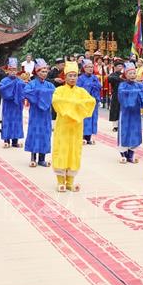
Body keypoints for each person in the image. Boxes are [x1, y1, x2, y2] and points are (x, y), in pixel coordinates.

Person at [51, 61, 96, 192]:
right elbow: (57, 102)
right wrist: (75, 105)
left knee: (74, 152)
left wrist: (73, 105)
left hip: (76, 127)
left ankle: (70, 181)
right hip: (63, 127)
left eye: (75, 76)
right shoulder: (59, 90)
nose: (72, 78)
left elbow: (90, 101)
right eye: (70, 75)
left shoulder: (81, 91)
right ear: (65, 77)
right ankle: (60, 181)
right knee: (62, 150)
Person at [24, 59, 56, 167]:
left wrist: (39, 93)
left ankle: (42, 158)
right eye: (42, 71)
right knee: (34, 132)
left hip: (46, 114)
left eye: (46, 71)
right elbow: (27, 92)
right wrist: (41, 93)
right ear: (37, 72)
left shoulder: (50, 85)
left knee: (45, 134)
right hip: (35, 113)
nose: (44, 74)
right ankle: (33, 157)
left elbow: (55, 95)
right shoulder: (32, 84)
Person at [117, 62, 143, 164]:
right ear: (125, 75)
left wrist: (138, 93)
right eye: (130, 73)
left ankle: (131, 154)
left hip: (135, 113)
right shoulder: (122, 85)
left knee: (135, 132)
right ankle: (123, 154)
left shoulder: (139, 85)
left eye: (134, 73)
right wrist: (135, 93)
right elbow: (122, 95)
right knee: (125, 131)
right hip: (126, 113)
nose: (132, 75)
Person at [0, 58, 26, 148]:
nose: (13, 72)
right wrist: (12, 85)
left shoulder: (19, 81)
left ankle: (15, 141)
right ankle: (6, 140)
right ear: (7, 70)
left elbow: (24, 90)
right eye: (11, 70)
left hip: (17, 105)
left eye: (15, 70)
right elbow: (2, 89)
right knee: (7, 121)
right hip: (8, 104)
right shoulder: (4, 81)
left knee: (17, 122)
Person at [77, 60, 101, 145]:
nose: (90, 69)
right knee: (85, 119)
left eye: (91, 67)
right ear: (84, 68)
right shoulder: (80, 78)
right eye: (88, 67)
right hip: (84, 102)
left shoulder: (95, 78)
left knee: (93, 119)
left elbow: (99, 87)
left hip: (93, 102)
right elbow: (78, 90)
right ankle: (82, 137)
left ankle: (89, 137)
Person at [47, 58, 66, 128]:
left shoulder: (65, 72)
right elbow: (46, 80)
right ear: (57, 65)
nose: (63, 66)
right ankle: (54, 124)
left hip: (63, 92)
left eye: (64, 65)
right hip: (54, 92)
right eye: (62, 65)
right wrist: (54, 80)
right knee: (54, 108)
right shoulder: (51, 72)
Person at [108, 61, 125, 132]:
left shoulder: (124, 74)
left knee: (122, 109)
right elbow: (110, 79)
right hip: (115, 94)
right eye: (119, 66)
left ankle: (122, 124)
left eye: (121, 66)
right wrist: (121, 79)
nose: (120, 67)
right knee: (115, 109)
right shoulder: (112, 75)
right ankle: (115, 126)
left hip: (123, 94)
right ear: (115, 67)